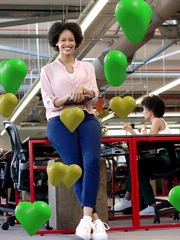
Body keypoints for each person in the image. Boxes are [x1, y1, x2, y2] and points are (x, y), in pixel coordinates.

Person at [40, 21, 108, 240]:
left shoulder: (87, 67)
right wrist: (71, 96)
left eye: (71, 39)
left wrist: (83, 90)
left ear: (76, 42)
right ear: (56, 43)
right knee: (75, 167)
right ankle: (96, 221)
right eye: (63, 40)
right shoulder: (48, 70)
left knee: (91, 161)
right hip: (59, 122)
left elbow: (95, 95)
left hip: (86, 117)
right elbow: (50, 103)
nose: (67, 43)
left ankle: (86, 218)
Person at [111, 95, 172, 216]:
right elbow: (149, 140)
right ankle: (146, 204)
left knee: (138, 166)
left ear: (151, 109)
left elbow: (149, 141)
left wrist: (132, 132)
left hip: (166, 158)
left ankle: (130, 200)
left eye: (144, 109)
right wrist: (143, 130)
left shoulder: (157, 120)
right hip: (165, 157)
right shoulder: (158, 121)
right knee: (139, 168)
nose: (143, 112)